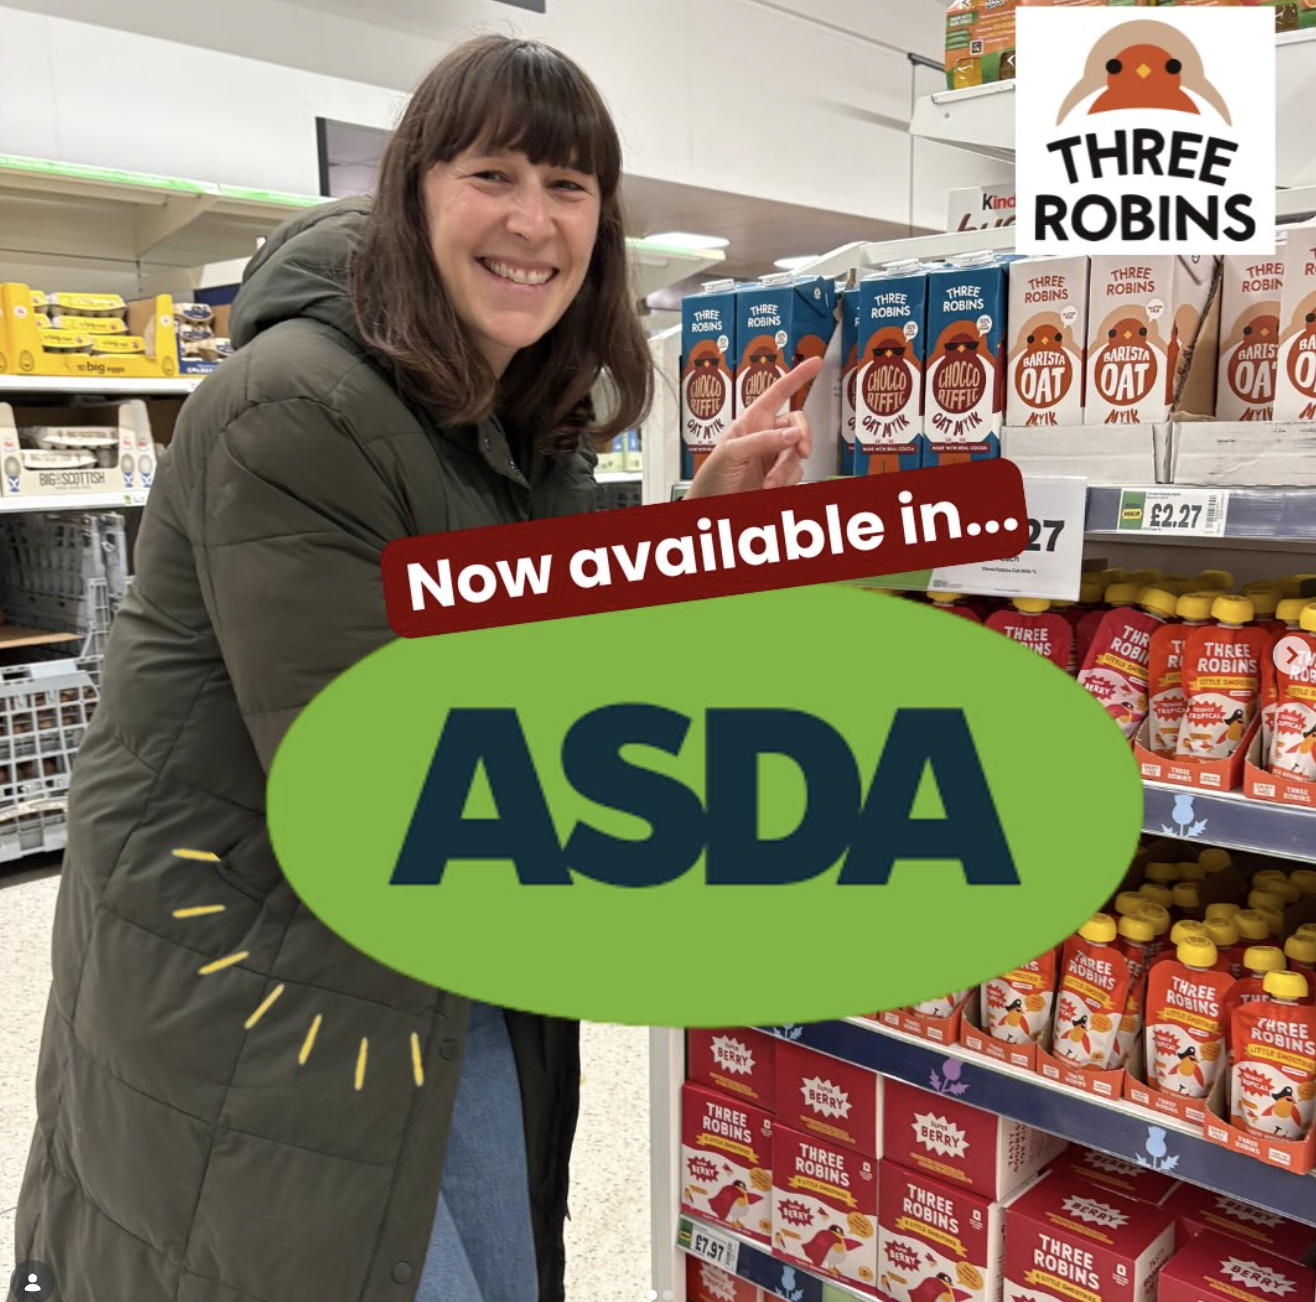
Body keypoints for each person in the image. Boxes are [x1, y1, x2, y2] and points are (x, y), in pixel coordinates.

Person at [15, 35, 819, 1302]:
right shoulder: (296, 409)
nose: (531, 222)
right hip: (258, 976)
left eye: (567, 186)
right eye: (491, 174)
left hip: (435, 968)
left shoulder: (511, 421)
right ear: (414, 193)